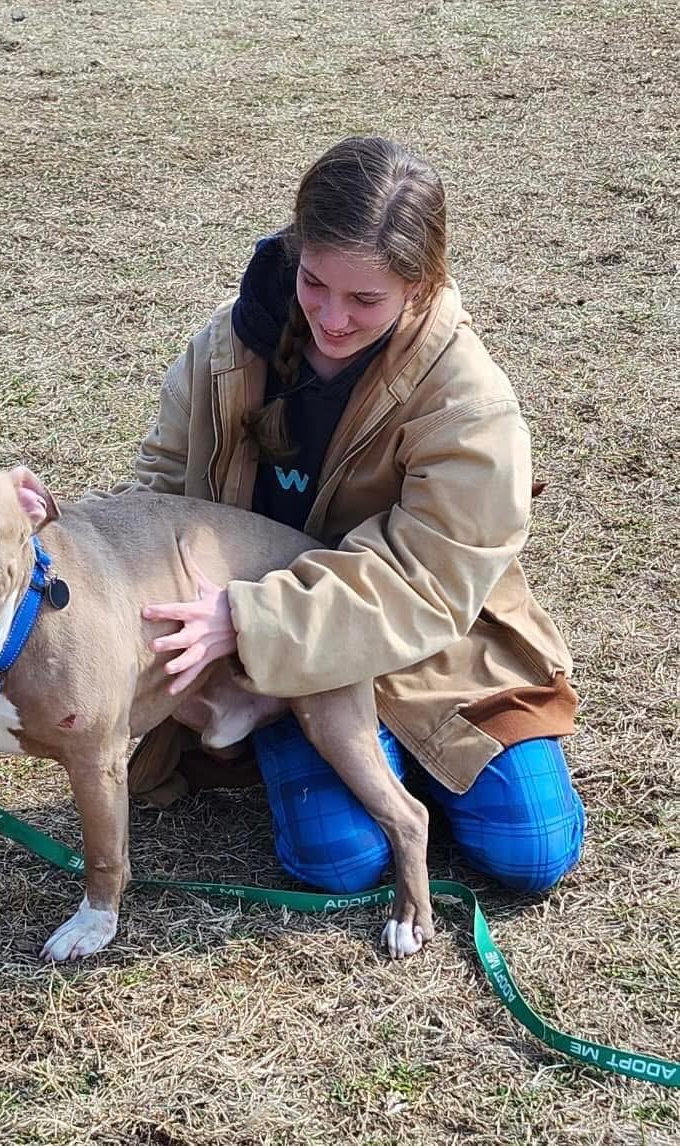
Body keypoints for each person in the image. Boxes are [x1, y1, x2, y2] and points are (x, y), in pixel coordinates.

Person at [118, 135, 584, 896]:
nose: (332, 319)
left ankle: (422, 762)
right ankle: (367, 762)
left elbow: (434, 580)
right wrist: (55, 529)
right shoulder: (224, 347)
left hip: (432, 646)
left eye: (366, 299)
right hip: (280, 660)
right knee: (341, 864)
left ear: (421, 285)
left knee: (531, 855)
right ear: (297, 253)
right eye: (314, 283)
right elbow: (162, 488)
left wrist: (250, 620)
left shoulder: (469, 396)